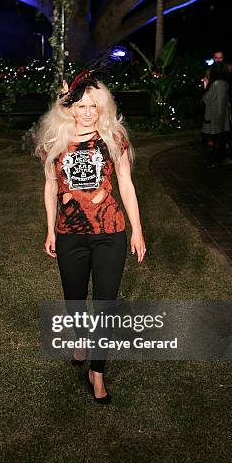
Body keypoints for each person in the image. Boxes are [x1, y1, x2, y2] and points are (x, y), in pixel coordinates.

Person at [34, 73, 146, 404]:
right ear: (69, 108)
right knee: (74, 297)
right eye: (81, 106)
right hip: (70, 234)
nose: (87, 112)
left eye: (94, 106)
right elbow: (51, 186)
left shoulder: (114, 138)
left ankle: (97, 372)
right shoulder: (55, 141)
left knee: (105, 304)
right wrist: (50, 228)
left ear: (103, 107)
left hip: (110, 233)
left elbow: (125, 182)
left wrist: (136, 230)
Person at [202, 61, 231, 168]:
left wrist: (205, 86)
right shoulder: (225, 83)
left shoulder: (215, 84)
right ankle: (219, 160)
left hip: (213, 117)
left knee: (212, 141)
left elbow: (206, 99)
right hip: (222, 117)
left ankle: (212, 161)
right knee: (219, 140)